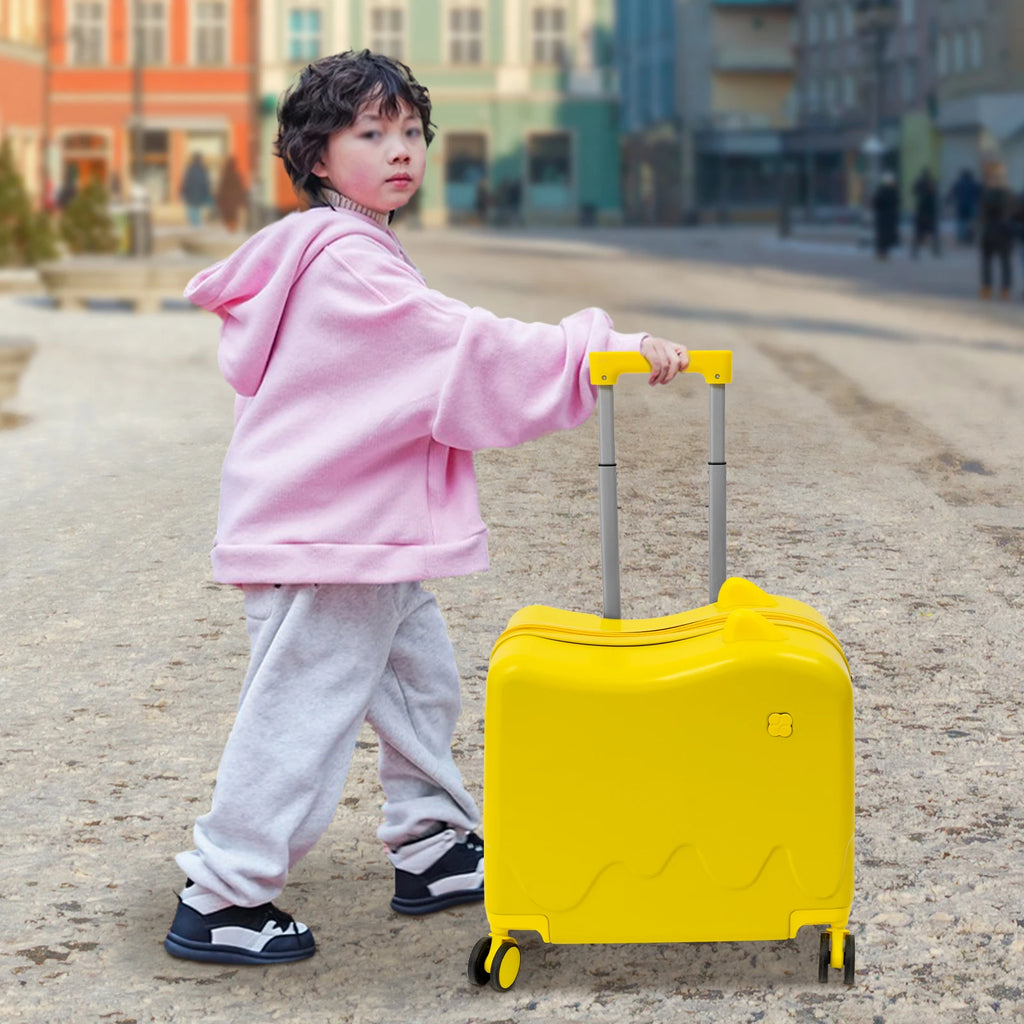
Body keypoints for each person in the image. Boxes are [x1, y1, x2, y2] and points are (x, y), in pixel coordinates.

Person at [163, 49, 689, 967]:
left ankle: (433, 843)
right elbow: (462, 345)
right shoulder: (350, 265)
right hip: (335, 530)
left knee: (416, 678)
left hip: (351, 520)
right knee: (302, 705)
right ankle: (224, 894)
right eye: (371, 132)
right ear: (319, 157)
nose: (400, 149)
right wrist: (599, 344)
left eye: (410, 132)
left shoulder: (341, 249)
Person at [977, 162, 1016, 300]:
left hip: (989, 231)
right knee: (1005, 262)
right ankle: (1005, 289)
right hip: (1005, 232)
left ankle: (986, 288)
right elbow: (1016, 213)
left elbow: (982, 214)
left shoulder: (987, 194)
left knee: (987, 261)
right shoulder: (1010, 194)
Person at [911, 168, 941, 258]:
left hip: (922, 213)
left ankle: (915, 252)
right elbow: (933, 197)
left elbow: (913, 191)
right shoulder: (929, 187)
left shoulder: (920, 184)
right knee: (931, 234)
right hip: (927, 214)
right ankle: (934, 251)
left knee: (920, 234)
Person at [947, 167, 981, 246]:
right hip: (971, 204)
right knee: (970, 221)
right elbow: (980, 195)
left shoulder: (958, 183)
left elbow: (952, 193)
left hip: (961, 204)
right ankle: (969, 236)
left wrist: (948, 201)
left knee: (961, 221)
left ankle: (961, 237)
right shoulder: (975, 184)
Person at [215, 155, 248, 231]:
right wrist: (241, 199)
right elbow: (240, 188)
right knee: (234, 214)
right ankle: (233, 227)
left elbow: (221, 188)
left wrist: (219, 198)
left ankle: (230, 227)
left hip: (226, 200)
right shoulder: (236, 175)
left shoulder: (224, 175)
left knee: (227, 214)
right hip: (234, 200)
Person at [872, 171, 900, 260]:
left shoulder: (888, 191)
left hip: (887, 218)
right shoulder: (886, 192)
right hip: (885, 218)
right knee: (883, 237)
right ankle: (881, 253)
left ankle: (883, 253)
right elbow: (877, 203)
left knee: (885, 237)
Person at [180, 153, 212, 228]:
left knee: (193, 209)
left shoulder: (190, 169)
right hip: (199, 193)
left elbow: (186, 182)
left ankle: (194, 224)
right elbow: (205, 182)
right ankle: (197, 225)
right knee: (196, 209)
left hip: (191, 193)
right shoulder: (202, 169)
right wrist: (206, 192)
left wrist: (184, 192)